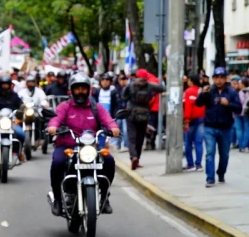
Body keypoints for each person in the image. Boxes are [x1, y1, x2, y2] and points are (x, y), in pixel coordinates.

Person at [47, 74, 120, 215]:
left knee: (109, 161)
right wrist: (53, 127)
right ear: (71, 91)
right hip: (67, 146)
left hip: (89, 147)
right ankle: (57, 199)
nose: (80, 91)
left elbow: (108, 120)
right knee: (57, 163)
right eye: (77, 89)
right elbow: (55, 119)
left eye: (83, 88)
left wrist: (114, 128)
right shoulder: (65, 106)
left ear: (89, 90)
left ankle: (105, 197)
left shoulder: (96, 107)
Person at [196, 67, 242, 187]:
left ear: (225, 79)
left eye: (221, 78)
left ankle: (221, 173)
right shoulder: (209, 91)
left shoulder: (231, 92)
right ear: (213, 79)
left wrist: (228, 104)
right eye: (216, 78)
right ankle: (210, 178)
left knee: (224, 155)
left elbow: (239, 108)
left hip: (226, 128)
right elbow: (198, 103)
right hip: (209, 127)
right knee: (210, 152)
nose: (219, 81)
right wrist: (202, 93)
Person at [121, 69, 164, 169]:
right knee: (140, 138)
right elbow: (162, 88)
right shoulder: (149, 85)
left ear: (136, 75)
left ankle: (133, 157)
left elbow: (123, 96)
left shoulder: (130, 85)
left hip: (131, 113)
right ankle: (138, 159)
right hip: (144, 114)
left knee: (132, 138)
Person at [183, 75, 205, 172]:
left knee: (188, 143)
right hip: (202, 119)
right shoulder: (202, 91)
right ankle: (199, 164)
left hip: (191, 120)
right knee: (198, 143)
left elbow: (188, 107)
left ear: (191, 81)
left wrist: (186, 120)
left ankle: (190, 164)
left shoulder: (188, 91)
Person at [238, 78, 249, 152]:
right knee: (246, 129)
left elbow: (240, 102)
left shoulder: (240, 92)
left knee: (240, 129)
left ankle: (242, 145)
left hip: (240, 112)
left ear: (243, 84)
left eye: (240, 83)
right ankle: (245, 145)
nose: (239, 85)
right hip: (247, 112)